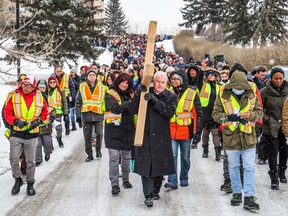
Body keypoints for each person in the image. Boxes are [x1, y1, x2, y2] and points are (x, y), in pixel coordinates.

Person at [212, 71, 263, 211]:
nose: (239, 89)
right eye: (237, 87)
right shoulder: (223, 95)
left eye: (242, 87)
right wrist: (230, 117)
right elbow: (215, 115)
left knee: (249, 167)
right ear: (232, 85)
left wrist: (251, 115)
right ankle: (236, 193)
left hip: (248, 137)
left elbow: (259, 112)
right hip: (231, 138)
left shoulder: (251, 93)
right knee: (233, 167)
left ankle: (249, 197)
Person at [130, 71, 177, 207]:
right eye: (158, 82)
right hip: (145, 134)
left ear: (166, 83)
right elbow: (133, 109)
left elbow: (169, 113)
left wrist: (155, 101)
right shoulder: (146, 91)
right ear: (153, 81)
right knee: (146, 165)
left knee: (159, 166)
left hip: (161, 136)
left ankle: (155, 190)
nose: (160, 85)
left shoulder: (171, 96)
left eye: (163, 82)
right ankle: (148, 195)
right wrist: (138, 93)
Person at [4, 75, 48, 196]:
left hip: (32, 135)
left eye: (28, 85)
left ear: (33, 86)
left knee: (30, 162)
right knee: (13, 159)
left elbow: (45, 113)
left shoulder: (40, 97)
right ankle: (17, 179)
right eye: (24, 85)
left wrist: (39, 121)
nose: (26, 87)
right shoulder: (14, 96)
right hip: (16, 133)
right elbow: (7, 112)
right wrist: (15, 121)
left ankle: (30, 183)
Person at [164, 69, 203, 189]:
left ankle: (184, 177)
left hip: (186, 132)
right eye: (172, 79)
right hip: (171, 131)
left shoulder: (192, 93)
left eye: (176, 79)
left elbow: (198, 114)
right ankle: (172, 180)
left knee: (185, 158)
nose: (174, 81)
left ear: (181, 80)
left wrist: (197, 132)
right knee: (172, 156)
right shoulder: (167, 92)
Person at [104, 73, 135, 195]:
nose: (124, 84)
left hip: (127, 130)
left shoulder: (130, 94)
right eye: (122, 82)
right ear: (117, 82)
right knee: (114, 158)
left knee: (126, 158)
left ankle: (126, 180)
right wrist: (130, 103)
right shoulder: (110, 93)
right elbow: (115, 109)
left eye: (127, 83)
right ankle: (115, 183)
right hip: (113, 131)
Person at [260, 67, 288, 189]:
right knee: (273, 152)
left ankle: (282, 171)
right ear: (271, 78)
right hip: (271, 126)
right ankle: (274, 177)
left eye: (280, 78)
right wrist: (267, 119)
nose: (278, 81)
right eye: (276, 78)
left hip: (286, 126)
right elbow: (259, 109)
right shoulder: (265, 91)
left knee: (285, 152)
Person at [75, 69, 106, 161]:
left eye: (93, 74)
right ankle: (89, 154)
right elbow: (78, 101)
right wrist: (78, 115)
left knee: (99, 134)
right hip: (86, 115)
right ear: (87, 77)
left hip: (98, 115)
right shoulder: (82, 87)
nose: (92, 76)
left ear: (96, 76)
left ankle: (98, 150)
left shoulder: (102, 87)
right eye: (90, 75)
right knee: (87, 136)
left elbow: (105, 101)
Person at [197, 65, 222, 161]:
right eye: (208, 75)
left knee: (216, 134)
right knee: (205, 133)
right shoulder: (202, 86)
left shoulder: (220, 87)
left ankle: (218, 153)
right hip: (205, 113)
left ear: (216, 76)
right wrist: (202, 71)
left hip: (215, 113)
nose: (210, 76)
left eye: (212, 74)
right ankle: (205, 151)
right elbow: (198, 80)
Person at [35, 79, 55, 167]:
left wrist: (53, 116)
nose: (42, 89)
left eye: (43, 87)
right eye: (40, 87)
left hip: (46, 125)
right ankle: (38, 160)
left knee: (47, 142)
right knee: (37, 144)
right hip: (37, 125)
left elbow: (53, 109)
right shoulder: (34, 98)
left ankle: (48, 153)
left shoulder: (50, 99)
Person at [51, 65, 76, 135]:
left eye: (60, 71)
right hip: (56, 100)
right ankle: (58, 131)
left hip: (66, 99)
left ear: (62, 70)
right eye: (57, 71)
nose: (59, 73)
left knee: (66, 115)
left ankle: (67, 128)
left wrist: (73, 98)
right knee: (57, 115)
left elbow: (72, 87)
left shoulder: (67, 77)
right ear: (54, 71)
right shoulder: (52, 78)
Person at [48, 76, 68, 148]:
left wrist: (66, 113)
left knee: (59, 127)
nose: (52, 83)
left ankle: (59, 139)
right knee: (49, 129)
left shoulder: (60, 90)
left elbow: (64, 102)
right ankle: (50, 143)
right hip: (49, 112)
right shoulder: (47, 91)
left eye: (54, 82)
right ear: (48, 83)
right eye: (51, 82)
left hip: (58, 112)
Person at [70, 66, 81, 131]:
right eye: (71, 72)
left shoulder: (79, 78)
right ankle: (73, 125)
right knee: (71, 112)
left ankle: (79, 121)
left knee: (77, 110)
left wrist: (72, 80)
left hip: (77, 96)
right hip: (71, 97)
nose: (72, 73)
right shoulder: (68, 78)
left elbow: (79, 86)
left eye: (73, 72)